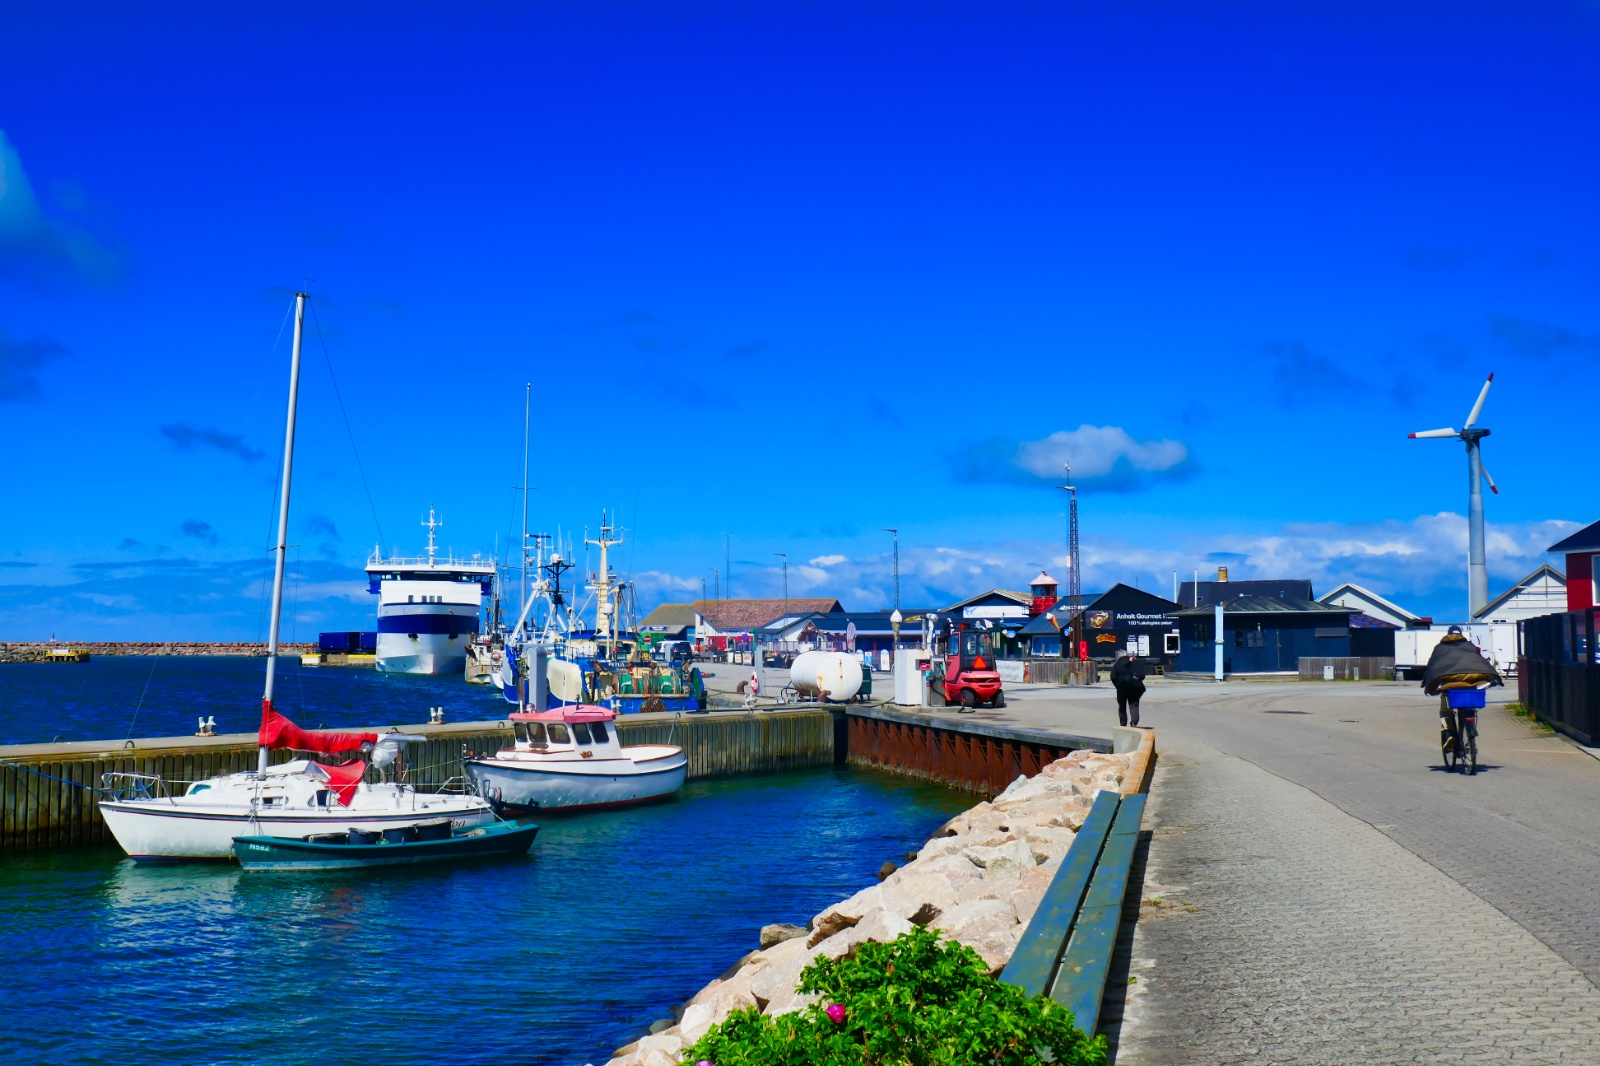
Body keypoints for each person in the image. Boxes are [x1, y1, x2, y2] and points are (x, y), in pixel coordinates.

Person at [1422, 625, 1502, 757]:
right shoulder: (1469, 646)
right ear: (1461, 634)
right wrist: (1491, 676)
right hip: (1471, 682)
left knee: (1445, 710)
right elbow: (1479, 660)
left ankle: (1449, 733)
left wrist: (1427, 680)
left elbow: (1432, 666)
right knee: (1470, 705)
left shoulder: (1439, 648)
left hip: (1450, 683)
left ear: (1448, 634)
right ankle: (1471, 730)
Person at [1110, 648, 1146, 727]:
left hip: (1122, 687)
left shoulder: (1117, 664)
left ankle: (1123, 724)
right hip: (1135, 686)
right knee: (1134, 704)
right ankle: (1134, 722)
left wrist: (1117, 685)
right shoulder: (1135, 662)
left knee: (1122, 706)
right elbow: (1142, 675)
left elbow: (1113, 676)